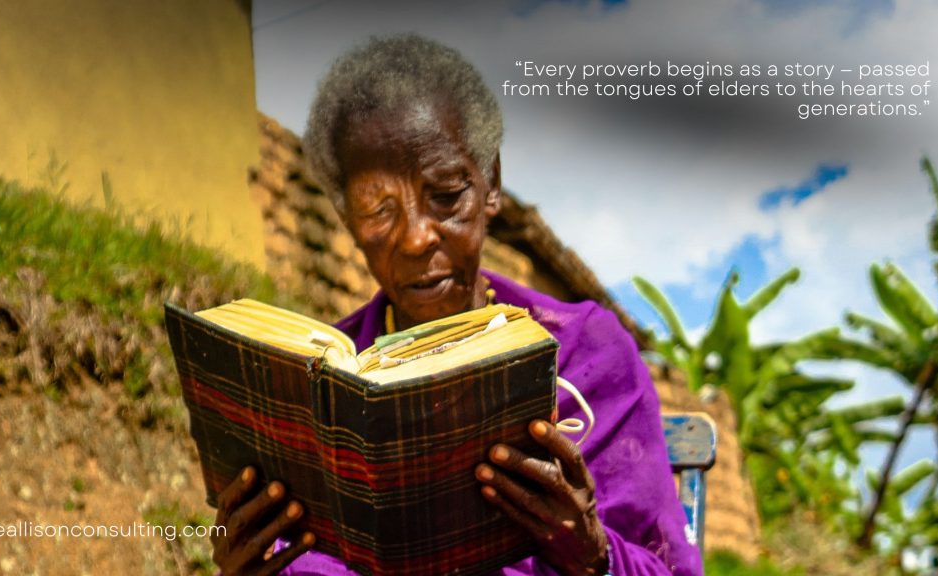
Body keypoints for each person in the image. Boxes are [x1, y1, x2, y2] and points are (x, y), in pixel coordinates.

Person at [209, 34, 703, 576]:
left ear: (490, 183)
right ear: (347, 219)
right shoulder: (322, 387)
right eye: (378, 209)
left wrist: (591, 553)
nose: (417, 238)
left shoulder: (588, 353)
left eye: (445, 195)